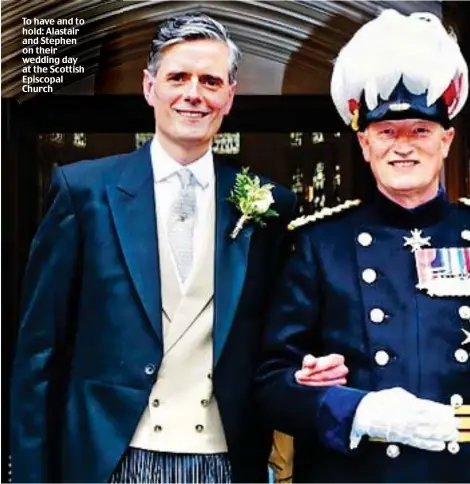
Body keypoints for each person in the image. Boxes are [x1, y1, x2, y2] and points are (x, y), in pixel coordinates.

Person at [10, 13, 346, 484]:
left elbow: (279, 338)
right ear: (150, 88)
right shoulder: (84, 192)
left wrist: (307, 368)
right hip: (108, 458)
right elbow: (38, 355)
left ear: (229, 95)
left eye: (210, 81)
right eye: (178, 78)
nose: (194, 93)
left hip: (225, 458)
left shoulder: (271, 207)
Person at [256, 8, 470, 483]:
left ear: (446, 140)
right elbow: (271, 383)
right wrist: (350, 408)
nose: (404, 146)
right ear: (364, 145)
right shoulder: (320, 244)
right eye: (386, 133)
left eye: (420, 131)